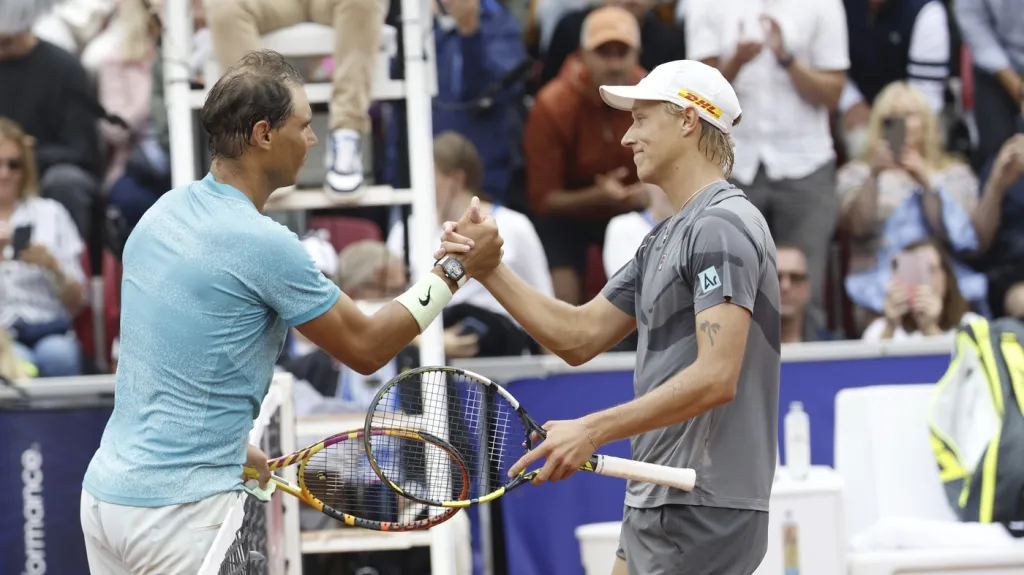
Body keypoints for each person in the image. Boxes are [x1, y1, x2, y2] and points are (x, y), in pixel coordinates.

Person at [78, 49, 502, 574]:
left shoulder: (162, 213)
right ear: (263, 134)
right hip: (179, 516)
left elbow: (174, 360)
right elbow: (368, 348)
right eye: (304, 125)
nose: (313, 139)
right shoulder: (264, 245)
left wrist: (231, 446)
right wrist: (454, 273)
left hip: (106, 500)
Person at [438, 60, 781, 574]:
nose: (626, 138)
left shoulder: (722, 225)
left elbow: (716, 377)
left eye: (641, 119)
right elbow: (577, 337)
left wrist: (591, 431)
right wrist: (488, 269)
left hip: (700, 501)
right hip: (660, 495)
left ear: (688, 120)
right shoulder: (668, 236)